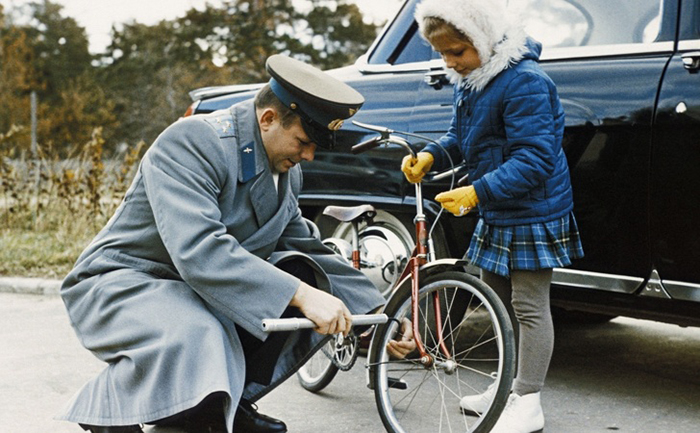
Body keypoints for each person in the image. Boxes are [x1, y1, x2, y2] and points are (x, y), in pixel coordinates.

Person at [57, 54, 389, 433]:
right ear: (267, 119)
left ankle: (219, 403)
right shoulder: (193, 142)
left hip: (189, 288)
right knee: (205, 331)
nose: (309, 156)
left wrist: (377, 317)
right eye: (303, 141)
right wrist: (298, 294)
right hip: (123, 282)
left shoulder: (284, 171)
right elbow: (201, 251)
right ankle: (114, 411)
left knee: (304, 274)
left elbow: (308, 247)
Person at [403, 1, 585, 432]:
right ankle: (507, 384)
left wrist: (476, 191)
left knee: (528, 305)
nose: (450, 62)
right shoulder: (471, 80)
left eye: (457, 52)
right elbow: (463, 136)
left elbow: (536, 159)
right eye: (442, 53)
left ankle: (528, 399)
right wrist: (431, 154)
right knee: (496, 296)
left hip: (533, 208)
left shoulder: (525, 82)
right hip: (499, 204)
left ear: (484, 40)